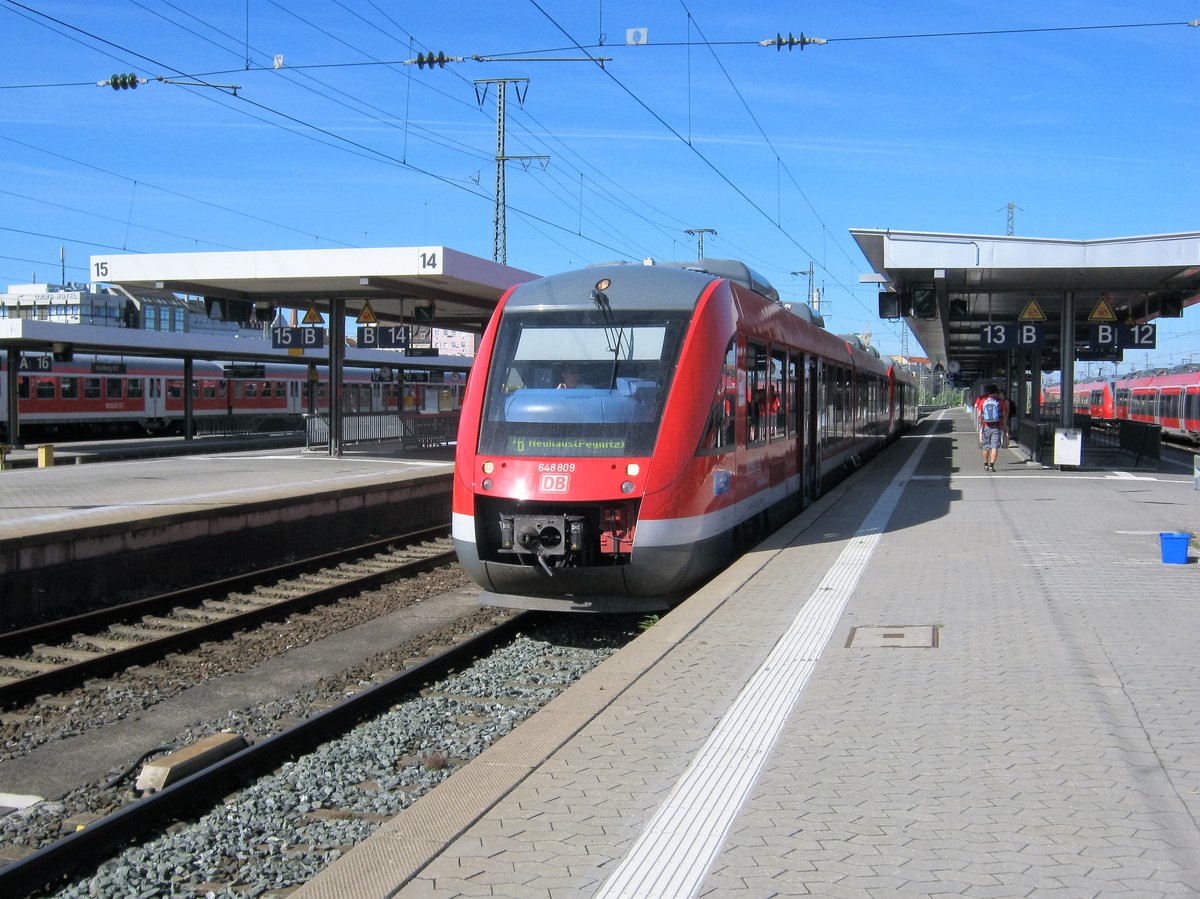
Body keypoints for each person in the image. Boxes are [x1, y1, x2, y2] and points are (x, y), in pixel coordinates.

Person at [977, 384, 1006, 472]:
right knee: (994, 447)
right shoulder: (1000, 402)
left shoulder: (983, 401)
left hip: (986, 426)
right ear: (995, 392)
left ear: (987, 392)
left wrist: (981, 424)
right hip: (997, 426)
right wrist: (1004, 427)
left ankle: (985, 464)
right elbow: (1004, 415)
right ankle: (991, 466)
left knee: (985, 447)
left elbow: (979, 415)